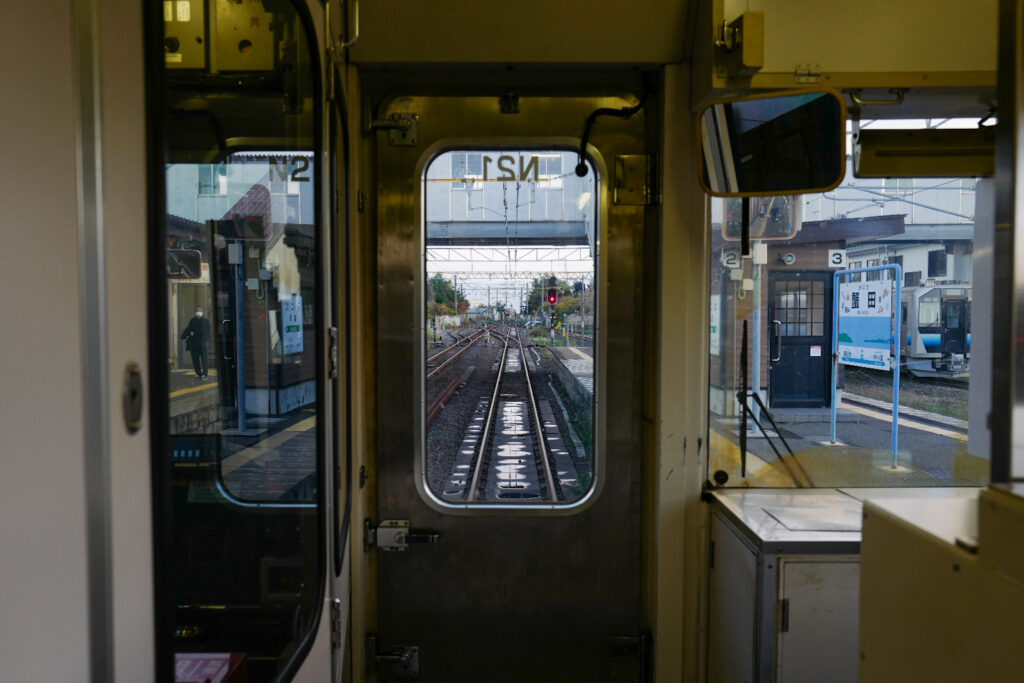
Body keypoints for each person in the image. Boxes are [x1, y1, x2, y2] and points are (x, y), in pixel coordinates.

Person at [181, 305, 211, 379]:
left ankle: (205, 373)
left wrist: (206, 340)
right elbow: (189, 329)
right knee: (195, 359)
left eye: (200, 311)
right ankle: (198, 373)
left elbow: (207, 332)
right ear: (195, 312)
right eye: (197, 311)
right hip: (193, 343)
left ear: (202, 312)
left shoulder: (205, 321)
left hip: (202, 343)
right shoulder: (192, 320)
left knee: (204, 359)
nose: (199, 312)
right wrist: (189, 333)